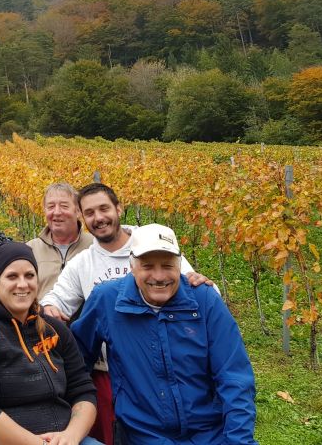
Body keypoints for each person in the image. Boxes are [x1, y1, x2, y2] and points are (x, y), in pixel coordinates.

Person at [40, 183, 212, 445]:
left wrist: (201, 283)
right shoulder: (82, 263)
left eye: (104, 209)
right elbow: (56, 299)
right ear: (82, 217)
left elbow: (191, 285)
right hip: (109, 374)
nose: (98, 218)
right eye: (90, 213)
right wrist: (50, 308)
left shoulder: (152, 244)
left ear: (119, 208)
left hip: (170, 372)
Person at [71, 224, 257, 444]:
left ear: (179, 265)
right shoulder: (107, 300)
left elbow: (234, 377)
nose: (159, 276)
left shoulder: (204, 300)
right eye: (148, 266)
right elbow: (77, 361)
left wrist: (238, 440)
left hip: (209, 434)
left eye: (167, 266)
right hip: (142, 436)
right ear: (132, 266)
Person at [0, 241, 102, 445]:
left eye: (29, 275)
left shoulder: (55, 329)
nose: (22, 284)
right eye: (12, 276)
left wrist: (71, 436)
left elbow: (83, 391)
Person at [27, 182, 93, 300]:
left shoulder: (94, 246)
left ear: (78, 211)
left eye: (64, 206)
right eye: (51, 206)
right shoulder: (30, 249)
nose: (57, 212)